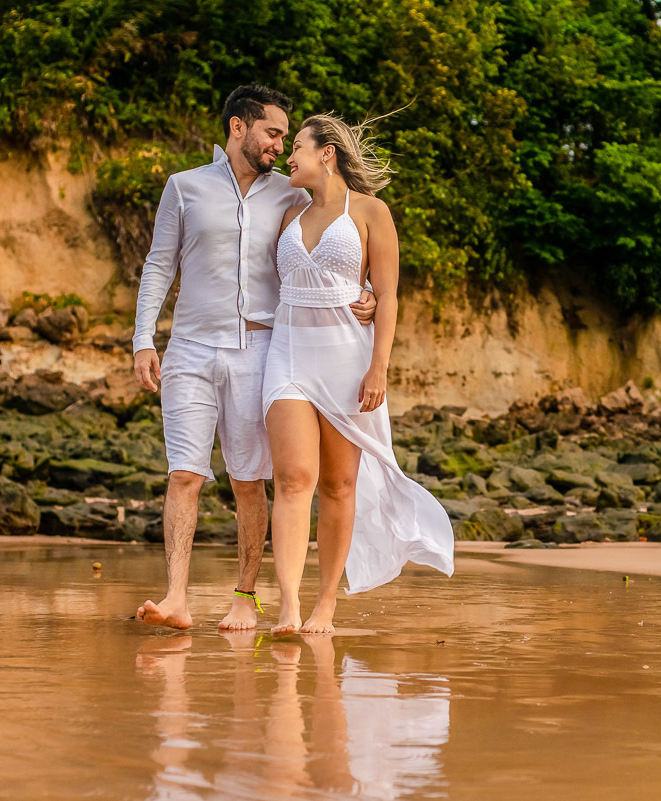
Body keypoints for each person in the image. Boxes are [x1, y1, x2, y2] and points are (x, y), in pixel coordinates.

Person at [131, 86, 377, 631]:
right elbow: (158, 265)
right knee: (184, 475)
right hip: (190, 349)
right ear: (238, 127)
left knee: (250, 480)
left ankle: (247, 595)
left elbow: (338, 243)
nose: (280, 146)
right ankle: (176, 597)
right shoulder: (184, 187)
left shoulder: (290, 195)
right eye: (272, 132)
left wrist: (372, 293)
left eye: (287, 138)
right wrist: (143, 339)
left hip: (263, 349)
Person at [263, 114, 454, 636]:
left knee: (340, 484)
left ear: (326, 152)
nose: (287, 155)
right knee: (293, 479)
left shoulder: (371, 211)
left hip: (348, 356)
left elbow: (387, 293)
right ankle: (287, 605)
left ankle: (325, 604)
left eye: (296, 146)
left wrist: (379, 367)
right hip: (288, 353)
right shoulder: (286, 213)